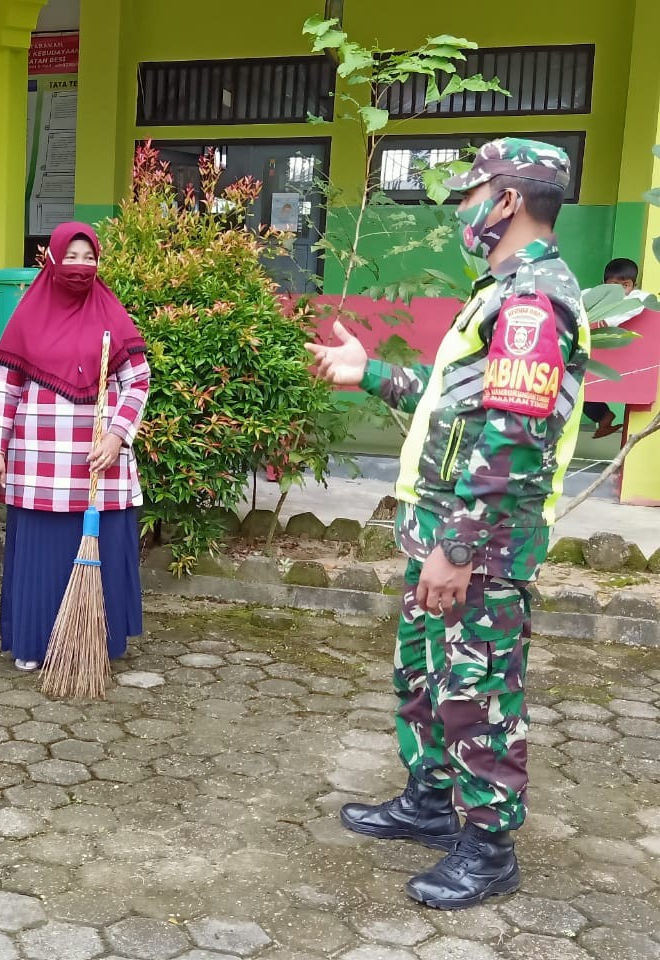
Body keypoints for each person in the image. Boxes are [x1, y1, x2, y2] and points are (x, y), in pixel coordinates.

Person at [307, 139, 589, 910]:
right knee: (426, 679)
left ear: (506, 202)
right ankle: (430, 802)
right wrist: (372, 374)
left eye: (471, 196)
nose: (462, 210)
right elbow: (457, 403)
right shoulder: (499, 292)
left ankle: (488, 848)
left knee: (478, 691)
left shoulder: (533, 302)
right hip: (444, 533)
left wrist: (459, 549)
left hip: (480, 548)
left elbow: (513, 440)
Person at [0, 223, 150, 671]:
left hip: (101, 461)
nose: (80, 266)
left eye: (88, 257)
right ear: (54, 259)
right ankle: (36, 642)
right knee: (44, 551)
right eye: (71, 257)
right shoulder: (26, 317)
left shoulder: (112, 316)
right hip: (39, 460)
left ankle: (96, 640)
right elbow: (6, 390)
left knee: (101, 547)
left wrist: (116, 437)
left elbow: (138, 382)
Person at [584, 258, 649, 437]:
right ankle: (604, 416)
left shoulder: (637, 298)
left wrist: (600, 322)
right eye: (613, 285)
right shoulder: (590, 294)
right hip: (593, 352)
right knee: (580, 390)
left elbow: (642, 302)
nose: (619, 290)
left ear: (633, 286)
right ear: (603, 285)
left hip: (620, 353)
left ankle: (604, 417)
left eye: (625, 285)